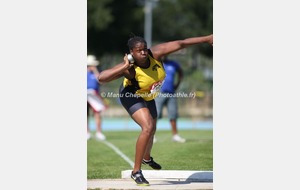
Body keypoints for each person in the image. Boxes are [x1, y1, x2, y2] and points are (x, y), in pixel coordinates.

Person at [97, 34, 213, 186]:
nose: (144, 53)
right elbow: (101, 78)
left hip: (148, 95)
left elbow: (181, 43)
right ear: (132, 53)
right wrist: (124, 66)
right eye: (139, 51)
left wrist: (207, 39)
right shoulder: (130, 69)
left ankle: (147, 158)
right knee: (147, 127)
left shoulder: (156, 54)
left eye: (145, 49)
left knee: (152, 128)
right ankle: (136, 172)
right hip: (131, 95)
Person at [155, 56, 186, 143]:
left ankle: (175, 136)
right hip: (159, 93)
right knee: (155, 115)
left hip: (171, 93)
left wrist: (178, 84)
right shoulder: (156, 64)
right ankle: (152, 136)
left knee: (173, 115)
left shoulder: (173, 64)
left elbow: (180, 72)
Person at [87, 55, 108, 141]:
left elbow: (101, 81)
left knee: (97, 113)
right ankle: (87, 133)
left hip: (94, 95)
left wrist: (95, 70)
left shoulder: (97, 72)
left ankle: (99, 132)